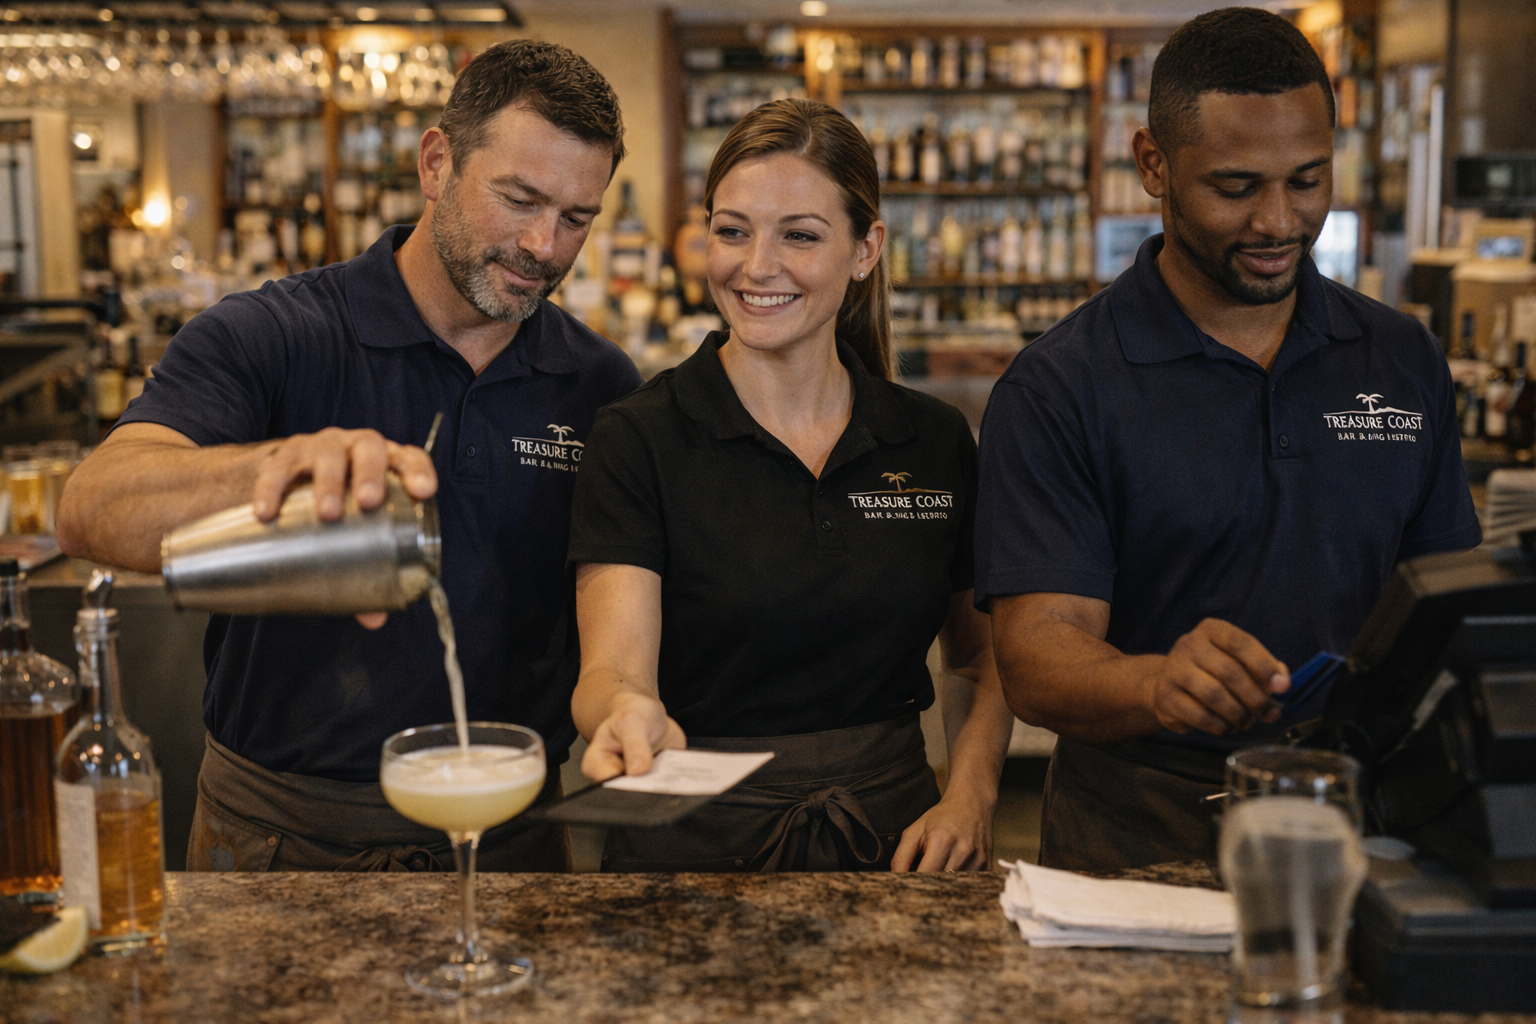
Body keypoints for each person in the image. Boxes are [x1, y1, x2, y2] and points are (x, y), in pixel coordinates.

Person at [56, 40, 642, 872]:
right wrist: (275, 469)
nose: (545, 246)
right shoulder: (275, 334)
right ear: (436, 163)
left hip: (511, 837)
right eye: (519, 200)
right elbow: (89, 508)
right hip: (282, 839)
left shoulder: (597, 380)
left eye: (577, 218)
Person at [974, 7, 1480, 873]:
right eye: (1236, 187)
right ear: (1153, 165)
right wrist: (1158, 682)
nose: (1279, 221)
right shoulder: (1061, 384)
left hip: (1362, 817)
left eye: (1308, 180)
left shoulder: (1400, 358)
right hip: (1139, 833)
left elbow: (1450, 598)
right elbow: (1036, 657)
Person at [566, 98, 1014, 874]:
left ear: (867, 248)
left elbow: (981, 658)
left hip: (899, 841)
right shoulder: (639, 436)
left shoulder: (933, 440)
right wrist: (626, 711)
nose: (755, 266)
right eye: (731, 230)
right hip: (692, 842)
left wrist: (970, 797)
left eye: (799, 235)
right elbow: (612, 668)